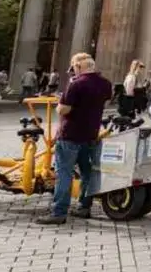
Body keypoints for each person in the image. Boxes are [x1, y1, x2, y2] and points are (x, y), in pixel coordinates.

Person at [35, 53, 112, 225]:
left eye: (74, 67)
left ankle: (59, 212)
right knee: (87, 172)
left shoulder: (76, 84)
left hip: (70, 134)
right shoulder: (105, 83)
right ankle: (84, 207)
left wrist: (60, 104)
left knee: (64, 173)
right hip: (91, 134)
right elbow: (105, 103)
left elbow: (64, 109)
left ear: (78, 66)